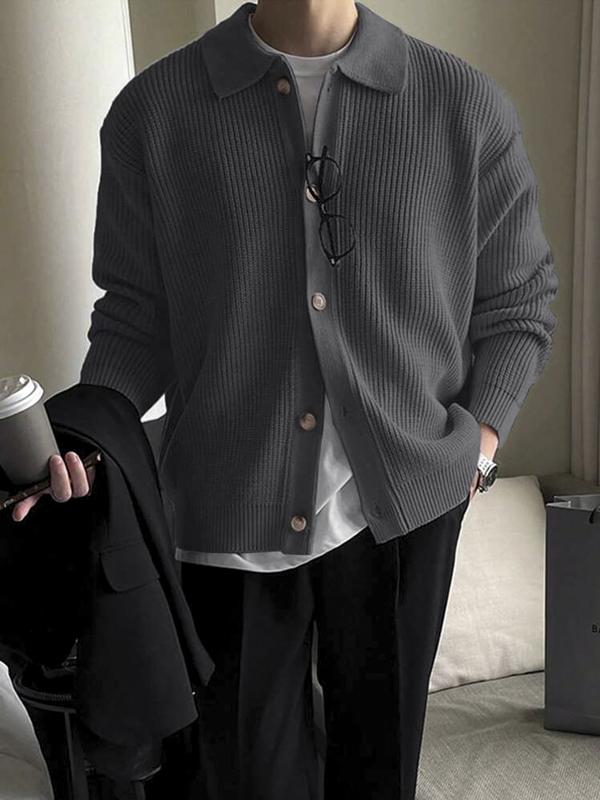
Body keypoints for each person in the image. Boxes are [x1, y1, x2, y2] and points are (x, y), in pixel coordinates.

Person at [17, 1, 559, 798]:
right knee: (243, 778)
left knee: (379, 776)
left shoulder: (462, 105)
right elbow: (135, 321)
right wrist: (93, 443)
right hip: (223, 512)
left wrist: (478, 448)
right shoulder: (155, 112)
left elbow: (519, 303)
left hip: (404, 514)